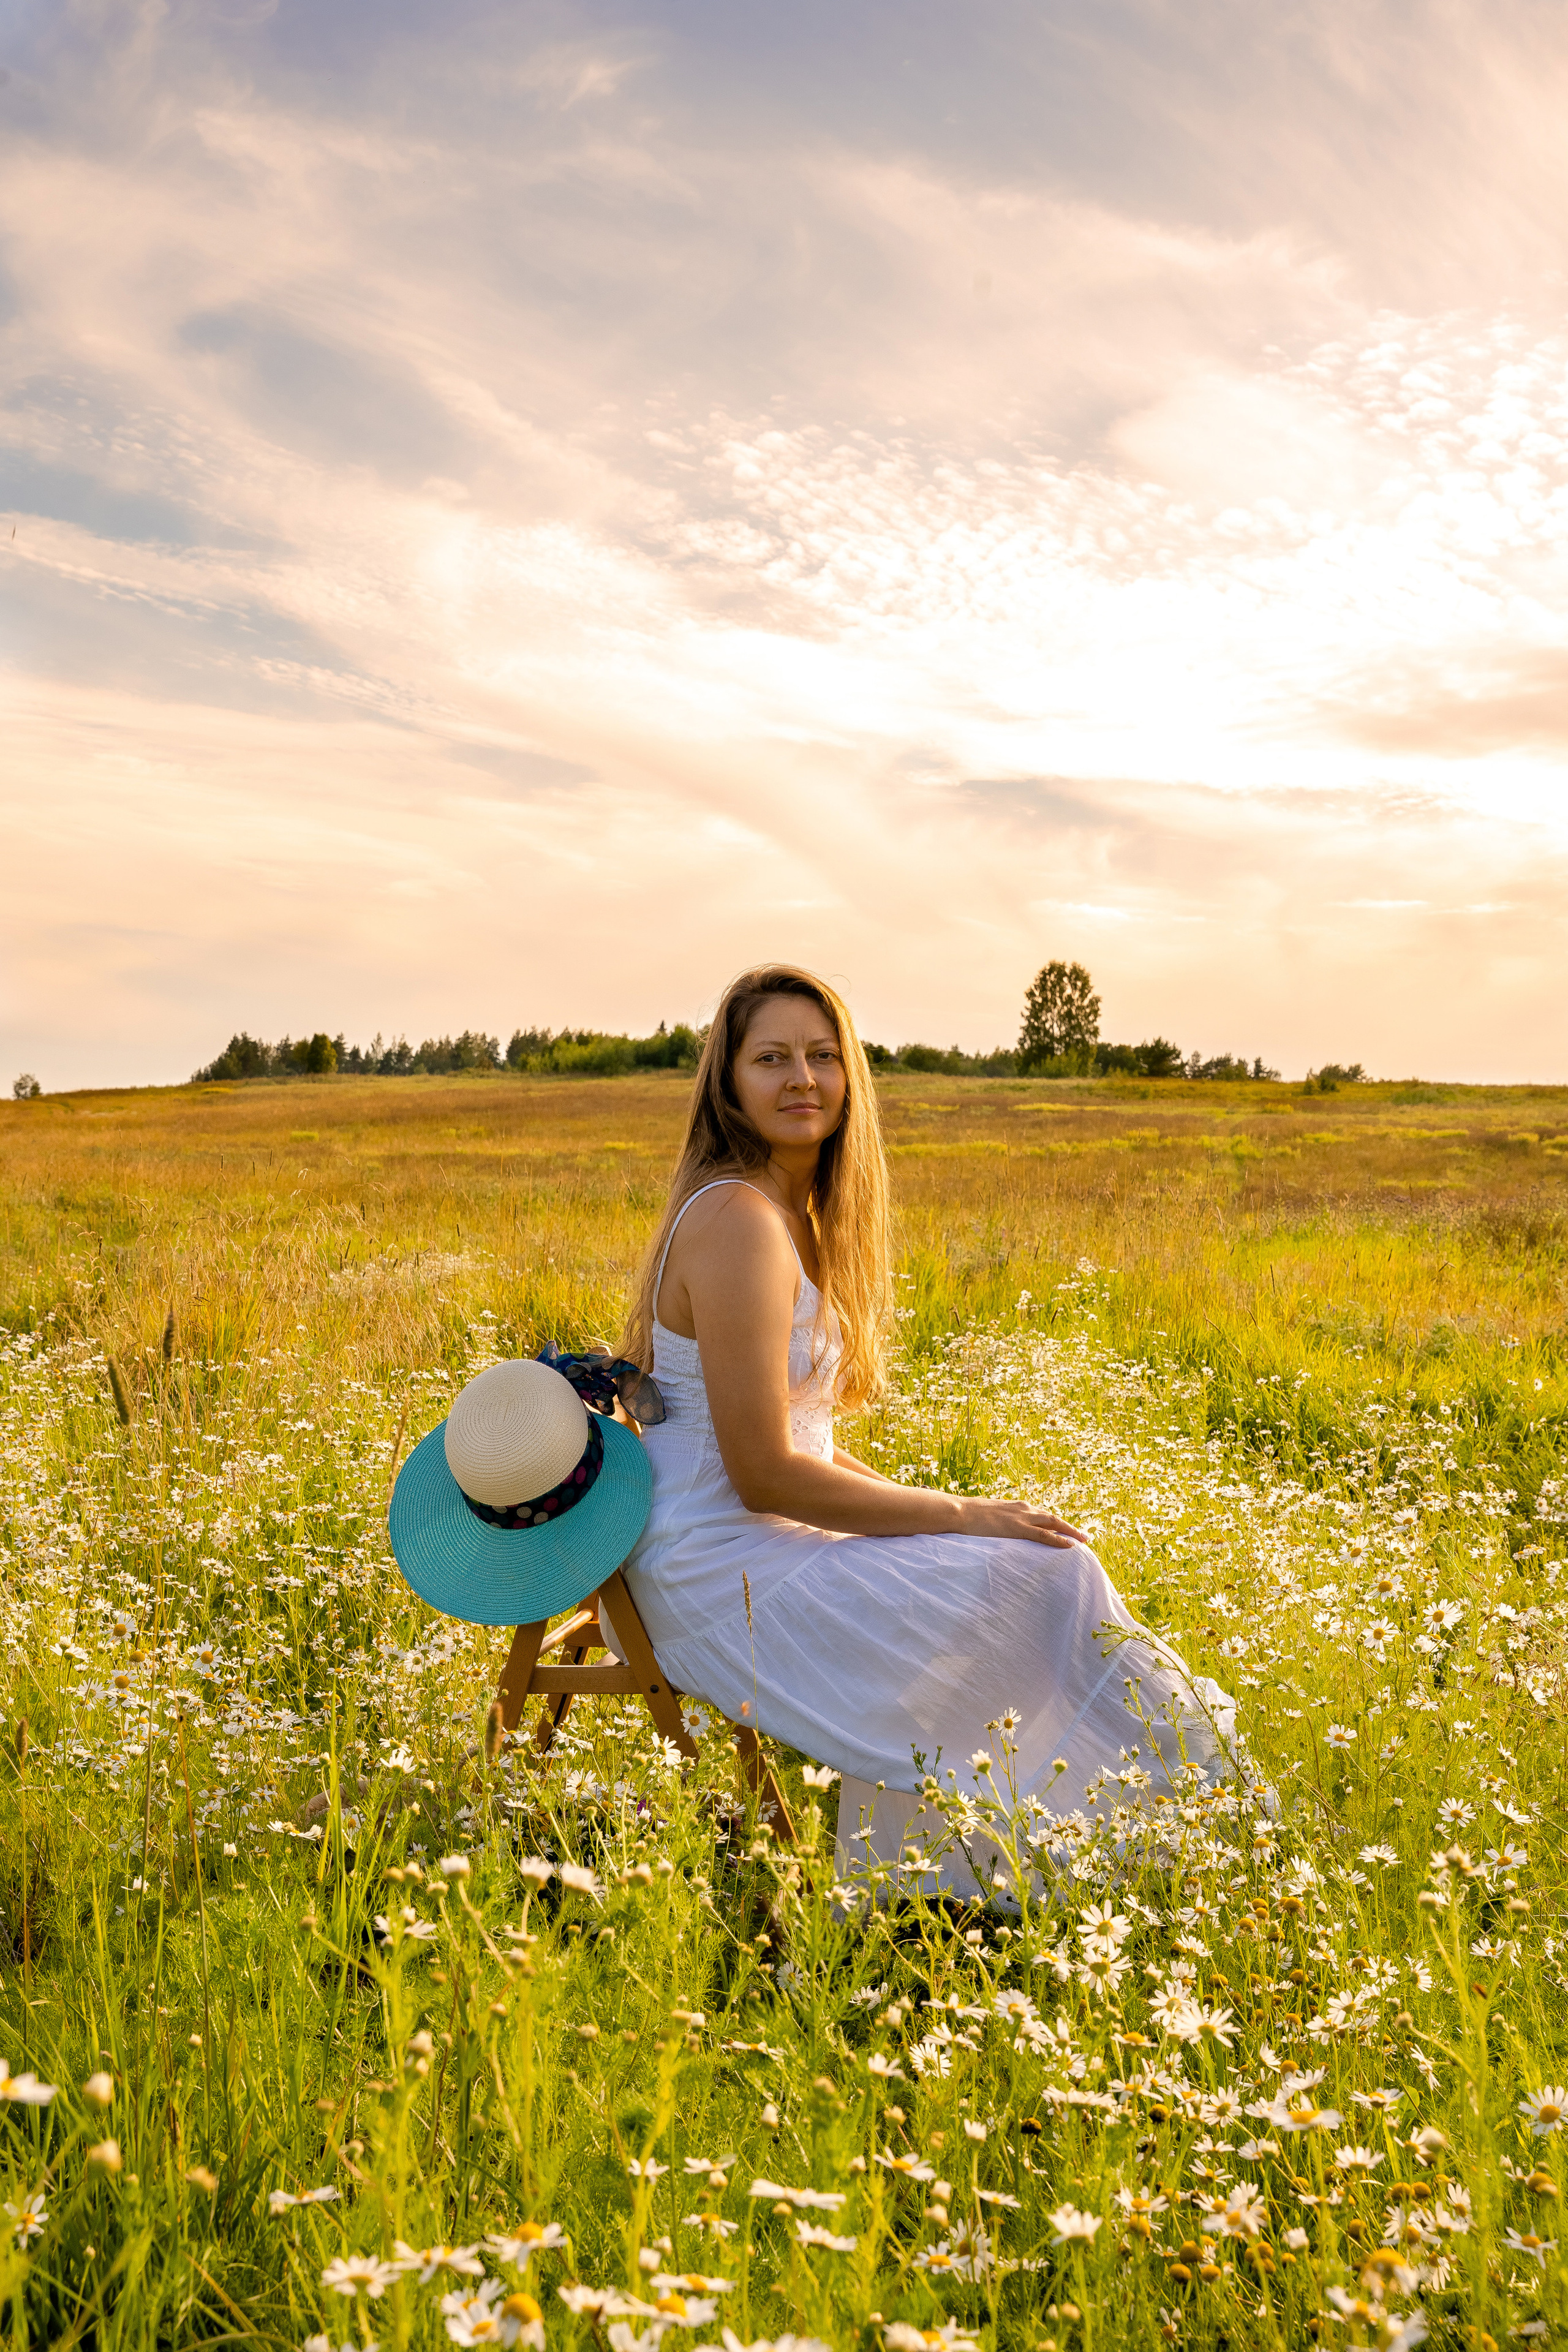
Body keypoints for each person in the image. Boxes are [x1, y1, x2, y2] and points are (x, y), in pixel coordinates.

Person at [620, 963, 1233, 1894]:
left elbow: (808, 1446)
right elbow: (762, 1475)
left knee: (1040, 1568)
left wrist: (960, 1517)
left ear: (850, 1077)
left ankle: (1047, 1856)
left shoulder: (800, 1215)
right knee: (1036, 1578)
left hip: (765, 1537)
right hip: (716, 1564)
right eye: (772, 1058)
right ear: (729, 1082)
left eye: (823, 1057)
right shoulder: (740, 1219)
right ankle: (1026, 1864)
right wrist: (966, 1513)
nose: (802, 1080)